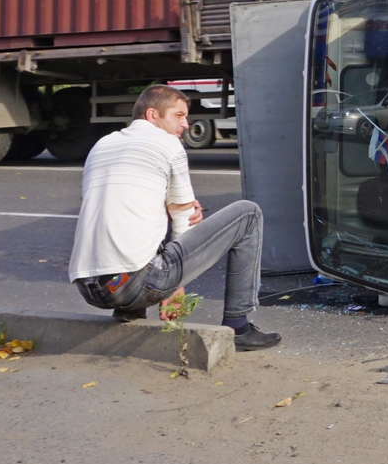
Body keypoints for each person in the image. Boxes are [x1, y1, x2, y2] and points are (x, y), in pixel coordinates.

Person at [68, 84, 281, 350]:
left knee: (136, 233)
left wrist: (171, 208)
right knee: (248, 213)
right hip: (138, 286)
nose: (186, 124)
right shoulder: (167, 143)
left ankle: (129, 314)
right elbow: (183, 221)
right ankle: (238, 328)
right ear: (152, 115)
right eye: (178, 115)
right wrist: (174, 289)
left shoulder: (102, 144)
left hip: (90, 287)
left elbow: (111, 207)